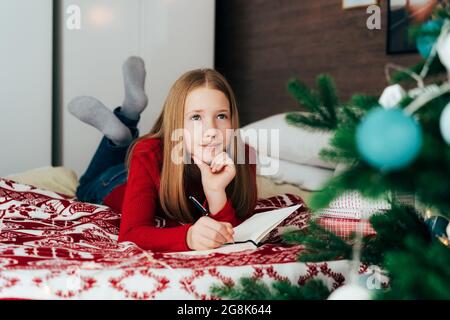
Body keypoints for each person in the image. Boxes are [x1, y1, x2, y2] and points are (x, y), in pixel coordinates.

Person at [69, 57, 258, 253]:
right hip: (115, 183)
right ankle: (125, 124)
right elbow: (131, 233)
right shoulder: (148, 153)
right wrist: (188, 237)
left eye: (221, 116)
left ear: (232, 120)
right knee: (85, 189)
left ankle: (124, 129)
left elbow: (234, 235)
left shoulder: (244, 155)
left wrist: (216, 192)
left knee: (131, 149)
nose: (211, 130)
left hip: (149, 168)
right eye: (196, 117)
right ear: (177, 123)